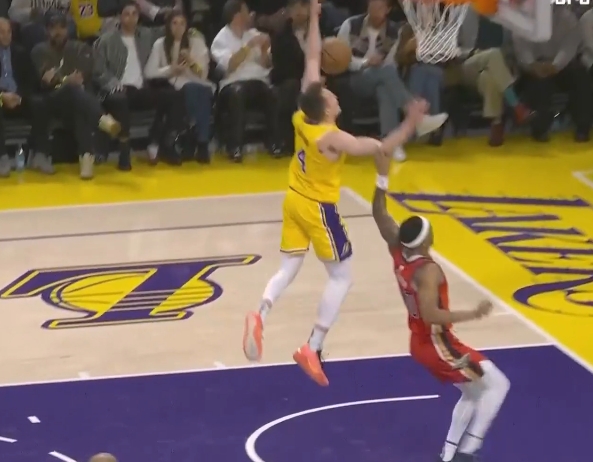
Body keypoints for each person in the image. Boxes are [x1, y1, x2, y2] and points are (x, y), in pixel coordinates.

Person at [242, 0, 427, 387]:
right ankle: (313, 346)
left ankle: (260, 313)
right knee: (342, 277)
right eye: (328, 95)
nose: (332, 93)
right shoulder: (332, 137)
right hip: (318, 208)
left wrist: (314, 17)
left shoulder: (302, 116)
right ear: (325, 108)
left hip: (293, 198)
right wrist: (410, 123)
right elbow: (381, 147)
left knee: (289, 267)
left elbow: (312, 57)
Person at [370, 149, 510, 462]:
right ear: (424, 240)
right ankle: (468, 453)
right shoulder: (428, 271)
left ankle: (448, 455)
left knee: (473, 392)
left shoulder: (398, 248)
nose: (432, 228)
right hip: (437, 343)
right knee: (499, 385)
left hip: (422, 341)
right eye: (429, 227)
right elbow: (431, 314)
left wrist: (381, 177)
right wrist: (473, 313)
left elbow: (379, 213)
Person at [337, 0, 448, 161]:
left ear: (388, 10)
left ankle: (391, 144)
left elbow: (391, 63)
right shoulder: (350, 25)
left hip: (382, 77)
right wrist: (365, 63)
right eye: (372, 4)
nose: (374, 9)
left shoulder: (395, 31)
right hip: (355, 78)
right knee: (386, 74)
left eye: (379, 6)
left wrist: (378, 67)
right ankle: (415, 114)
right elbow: (341, 59)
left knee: (385, 88)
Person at [31, 12, 121, 179]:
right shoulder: (39, 50)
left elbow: (84, 73)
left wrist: (61, 78)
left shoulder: (81, 47)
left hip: (76, 100)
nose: (58, 32)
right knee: (73, 89)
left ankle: (86, 160)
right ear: (46, 30)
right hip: (53, 100)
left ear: (68, 29)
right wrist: (66, 79)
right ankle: (101, 119)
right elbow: (47, 79)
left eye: (62, 27)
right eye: (53, 28)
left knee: (79, 103)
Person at [95, 1, 178, 169]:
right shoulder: (106, 40)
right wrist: (113, 83)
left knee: (173, 96)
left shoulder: (146, 35)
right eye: (127, 14)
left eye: (134, 14)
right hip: (117, 91)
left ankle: (157, 141)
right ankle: (124, 151)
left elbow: (169, 30)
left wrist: (178, 22)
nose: (131, 18)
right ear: (119, 17)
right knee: (120, 100)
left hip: (141, 89)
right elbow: (99, 71)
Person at [210, 0, 280, 162]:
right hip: (233, 84)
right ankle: (235, 147)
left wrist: (264, 50)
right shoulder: (221, 39)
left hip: (258, 81)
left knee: (272, 93)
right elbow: (230, 65)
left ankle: (274, 143)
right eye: (247, 12)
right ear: (237, 16)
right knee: (238, 93)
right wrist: (248, 46)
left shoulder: (255, 33)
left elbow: (267, 64)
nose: (251, 15)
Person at [145, 10, 215, 163]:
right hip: (171, 86)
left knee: (201, 91)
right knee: (194, 92)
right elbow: (149, 72)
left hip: (197, 83)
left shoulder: (196, 42)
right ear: (168, 26)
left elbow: (203, 74)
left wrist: (190, 61)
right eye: (174, 23)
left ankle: (197, 142)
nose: (178, 27)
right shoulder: (160, 44)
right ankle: (200, 143)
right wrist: (171, 70)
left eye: (182, 24)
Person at [0, 18, 53, 177]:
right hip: (1, 98)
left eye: (8, 32)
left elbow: (31, 80)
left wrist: (19, 96)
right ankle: (2, 158)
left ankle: (39, 155)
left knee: (40, 103)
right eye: (1, 32)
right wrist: (3, 96)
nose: (6, 36)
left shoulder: (21, 52)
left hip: (18, 98)